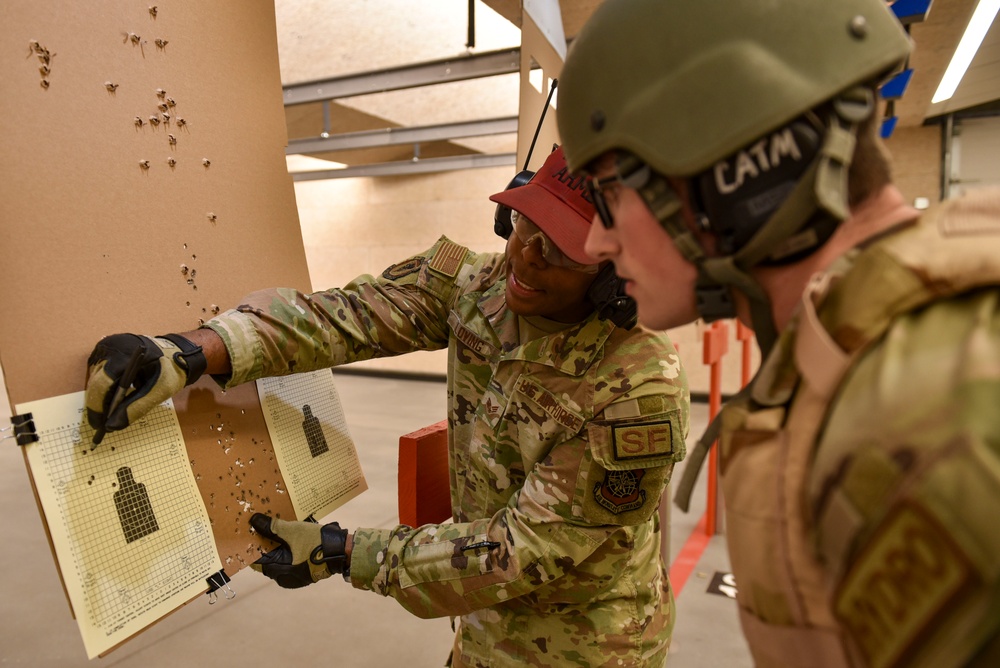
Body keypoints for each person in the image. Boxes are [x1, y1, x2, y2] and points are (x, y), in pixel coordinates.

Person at [84, 146, 689, 667]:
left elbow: (518, 552)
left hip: (585, 647)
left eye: (564, 251)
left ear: (616, 277)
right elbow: (346, 317)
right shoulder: (473, 285)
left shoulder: (637, 391)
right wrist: (191, 353)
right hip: (482, 629)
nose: (528, 257)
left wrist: (346, 552)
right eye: (527, 226)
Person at [556, 1, 1000, 666]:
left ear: (736, 173)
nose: (594, 241)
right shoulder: (859, 351)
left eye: (609, 194)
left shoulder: (933, 400)